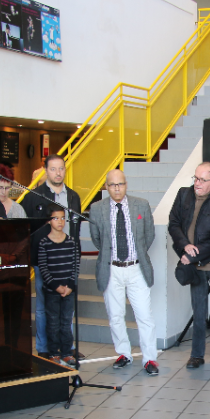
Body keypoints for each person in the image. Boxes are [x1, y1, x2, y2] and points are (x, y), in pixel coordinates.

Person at [87, 170, 159, 375]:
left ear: (126, 185)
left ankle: (150, 359)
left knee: (144, 316)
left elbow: (149, 235)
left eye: (120, 184)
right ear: (106, 186)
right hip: (111, 269)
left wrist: (137, 254)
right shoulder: (97, 209)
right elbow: (96, 239)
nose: (117, 188)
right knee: (115, 315)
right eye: (112, 185)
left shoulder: (141, 205)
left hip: (136, 268)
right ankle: (124, 353)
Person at [168, 162, 210, 371]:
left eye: (202, 180)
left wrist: (192, 256)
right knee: (199, 310)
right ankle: (197, 355)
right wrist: (185, 248)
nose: (197, 183)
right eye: (195, 178)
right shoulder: (182, 195)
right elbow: (174, 223)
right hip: (195, 261)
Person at [24, 155, 83, 359]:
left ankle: (67, 349)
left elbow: (76, 228)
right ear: (45, 171)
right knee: (44, 309)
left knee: (68, 308)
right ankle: (44, 349)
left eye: (61, 169)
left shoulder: (74, 197)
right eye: (53, 169)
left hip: (67, 260)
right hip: (45, 261)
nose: (58, 173)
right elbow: (29, 230)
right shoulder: (34, 196)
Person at [38, 206, 80, 368]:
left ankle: (67, 352)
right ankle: (54, 353)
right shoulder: (44, 243)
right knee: (53, 323)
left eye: (63, 218)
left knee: (66, 322)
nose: (60, 221)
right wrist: (57, 287)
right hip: (52, 291)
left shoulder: (71, 241)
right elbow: (43, 268)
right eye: (56, 218)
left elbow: (75, 265)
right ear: (49, 221)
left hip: (68, 290)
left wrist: (69, 285)